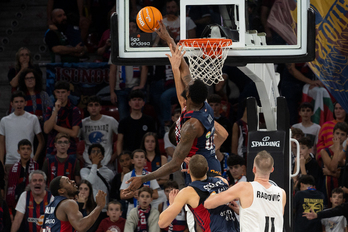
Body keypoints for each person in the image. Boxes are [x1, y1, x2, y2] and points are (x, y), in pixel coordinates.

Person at [124, 21, 228, 193]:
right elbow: (185, 71)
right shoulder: (204, 106)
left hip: (205, 172)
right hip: (206, 164)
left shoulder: (191, 126)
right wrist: (168, 39)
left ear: (187, 96)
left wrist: (144, 178)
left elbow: (174, 165)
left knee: (203, 214)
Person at [204, 150, 286, 232]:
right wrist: (243, 211)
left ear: (253, 169)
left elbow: (208, 204)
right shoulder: (282, 193)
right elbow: (269, 216)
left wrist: (217, 185)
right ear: (272, 169)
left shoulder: (244, 187)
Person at [158, 154, 239, 231]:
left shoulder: (188, 192)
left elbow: (162, 223)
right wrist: (197, 167)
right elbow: (209, 182)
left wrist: (171, 205)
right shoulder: (222, 181)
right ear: (207, 169)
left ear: (188, 171)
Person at [0, 91, 43, 191]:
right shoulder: (5, 120)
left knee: (29, 191)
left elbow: (41, 141)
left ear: (25, 103)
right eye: (16, 102)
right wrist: (1, 162)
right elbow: (1, 143)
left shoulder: (33, 119)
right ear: (12, 104)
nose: (19, 104)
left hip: (29, 162)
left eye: (21, 101)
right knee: (9, 191)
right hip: (10, 161)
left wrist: (35, 158)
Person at [42, 176, 106, 231]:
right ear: (61, 191)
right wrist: (99, 206)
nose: (73, 181)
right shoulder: (68, 203)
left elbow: (42, 229)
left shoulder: (50, 206)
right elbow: (81, 227)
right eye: (68, 182)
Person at [44, 80, 82, 157]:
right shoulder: (50, 109)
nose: (60, 95)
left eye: (63, 92)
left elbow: (74, 133)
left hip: (69, 150)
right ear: (54, 93)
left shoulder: (74, 110)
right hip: (52, 149)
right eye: (58, 92)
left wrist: (55, 126)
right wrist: (56, 111)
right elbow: (47, 129)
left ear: (68, 93)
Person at [80, 95, 119, 170]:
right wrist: (78, 155)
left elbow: (122, 137)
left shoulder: (110, 120)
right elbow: (73, 139)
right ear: (87, 108)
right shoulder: (83, 123)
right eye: (91, 105)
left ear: (100, 107)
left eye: (96, 105)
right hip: (88, 163)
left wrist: (115, 155)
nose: (93, 108)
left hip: (107, 162)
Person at [120, 150, 160, 215]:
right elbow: (122, 195)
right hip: (132, 208)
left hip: (148, 209)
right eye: (136, 157)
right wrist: (134, 194)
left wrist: (141, 194)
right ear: (132, 161)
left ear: (145, 161)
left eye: (142, 157)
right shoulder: (127, 176)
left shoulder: (150, 175)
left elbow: (156, 195)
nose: (139, 159)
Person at [116, 90, 156, 154]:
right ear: (129, 103)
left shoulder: (149, 120)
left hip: (145, 156)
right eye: (134, 100)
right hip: (129, 157)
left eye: (139, 100)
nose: (137, 102)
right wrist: (120, 157)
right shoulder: (123, 122)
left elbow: (153, 140)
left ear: (143, 103)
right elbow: (120, 142)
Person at [6, 139, 39, 215]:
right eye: (23, 149)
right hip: (16, 202)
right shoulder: (13, 168)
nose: (25, 151)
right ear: (18, 151)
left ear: (31, 151)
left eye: (28, 149)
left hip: (32, 201)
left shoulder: (36, 166)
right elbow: (10, 186)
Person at [80, 144, 114, 213]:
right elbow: (91, 182)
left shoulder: (109, 172)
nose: (96, 153)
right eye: (93, 151)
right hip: (90, 209)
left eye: (98, 151)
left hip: (104, 209)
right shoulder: (84, 171)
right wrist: (94, 164)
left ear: (102, 156)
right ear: (89, 156)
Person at [319, 122, 348, 204]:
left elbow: (341, 173)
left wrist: (331, 173)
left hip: (343, 186)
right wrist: (337, 149)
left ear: (346, 137)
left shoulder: (346, 153)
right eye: (337, 133)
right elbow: (333, 167)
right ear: (333, 134)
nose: (339, 137)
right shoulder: (324, 151)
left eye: (342, 134)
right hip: (328, 186)